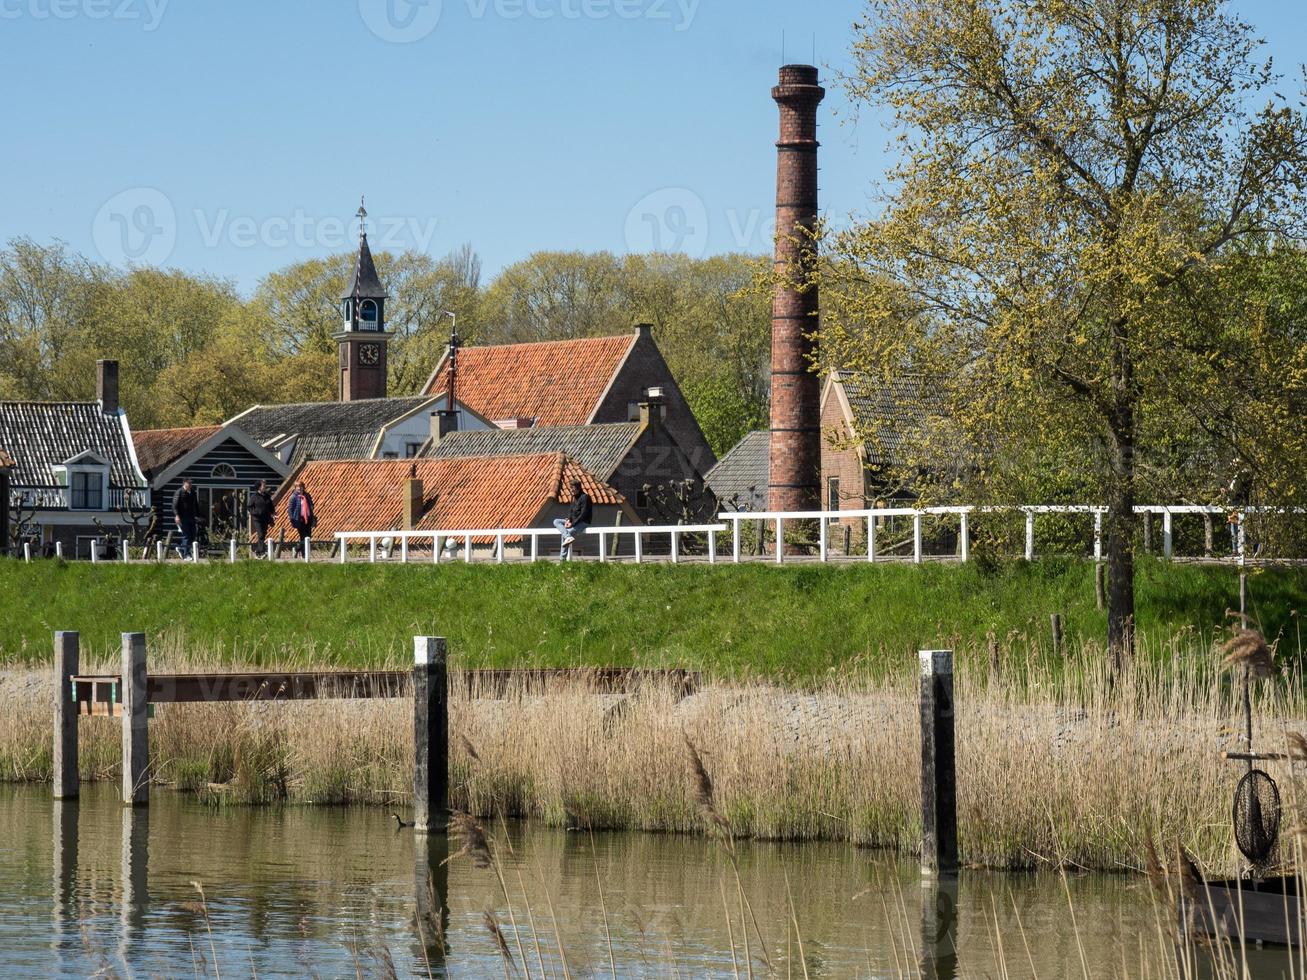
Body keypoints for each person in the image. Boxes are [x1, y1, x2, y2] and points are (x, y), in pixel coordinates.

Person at [553, 479, 592, 561]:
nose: (571, 490)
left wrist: (572, 524)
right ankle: (568, 537)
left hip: (583, 522)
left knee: (569, 532)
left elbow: (584, 514)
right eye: (570, 488)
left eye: (572, 488)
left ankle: (562, 560)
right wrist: (568, 520)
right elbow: (571, 510)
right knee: (556, 521)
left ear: (578, 488)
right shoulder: (573, 497)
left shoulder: (585, 497)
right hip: (573, 521)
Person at [172, 478, 199, 560]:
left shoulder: (193, 492)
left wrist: (198, 515)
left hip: (191, 517)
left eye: (191, 483)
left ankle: (181, 548)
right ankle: (186, 555)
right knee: (186, 535)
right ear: (184, 483)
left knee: (193, 535)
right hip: (183, 517)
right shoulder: (179, 492)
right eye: (189, 483)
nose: (190, 485)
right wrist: (177, 516)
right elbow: (174, 505)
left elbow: (196, 505)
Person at [247, 480, 274, 556]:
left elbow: (271, 506)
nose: (265, 487)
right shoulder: (254, 496)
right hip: (257, 519)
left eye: (265, 486)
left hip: (265, 518)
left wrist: (273, 513)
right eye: (263, 486)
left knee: (263, 534)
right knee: (261, 534)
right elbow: (249, 507)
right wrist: (255, 513)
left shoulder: (267, 496)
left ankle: (258, 551)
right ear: (259, 487)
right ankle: (262, 552)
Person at [287, 480, 316, 545]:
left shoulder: (307, 495)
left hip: (308, 518)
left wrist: (311, 507)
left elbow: (311, 504)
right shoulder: (293, 497)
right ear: (295, 488)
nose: (299, 488)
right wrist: (292, 519)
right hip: (299, 519)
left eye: (300, 486)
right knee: (303, 536)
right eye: (297, 486)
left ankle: (299, 549)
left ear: (303, 487)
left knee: (308, 536)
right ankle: (303, 553)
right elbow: (290, 509)